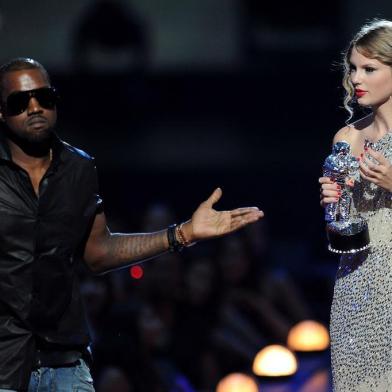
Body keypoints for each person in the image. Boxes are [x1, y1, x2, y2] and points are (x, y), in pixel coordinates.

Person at [0, 57, 264, 391]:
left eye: (44, 97)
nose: (35, 108)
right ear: (1, 111)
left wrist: (182, 233)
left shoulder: (78, 169)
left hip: (65, 358)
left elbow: (98, 252)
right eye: (20, 102)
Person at [319, 19, 392, 391]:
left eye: (369, 69)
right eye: (353, 68)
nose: (357, 78)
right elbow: (340, 232)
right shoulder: (347, 137)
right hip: (356, 287)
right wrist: (334, 207)